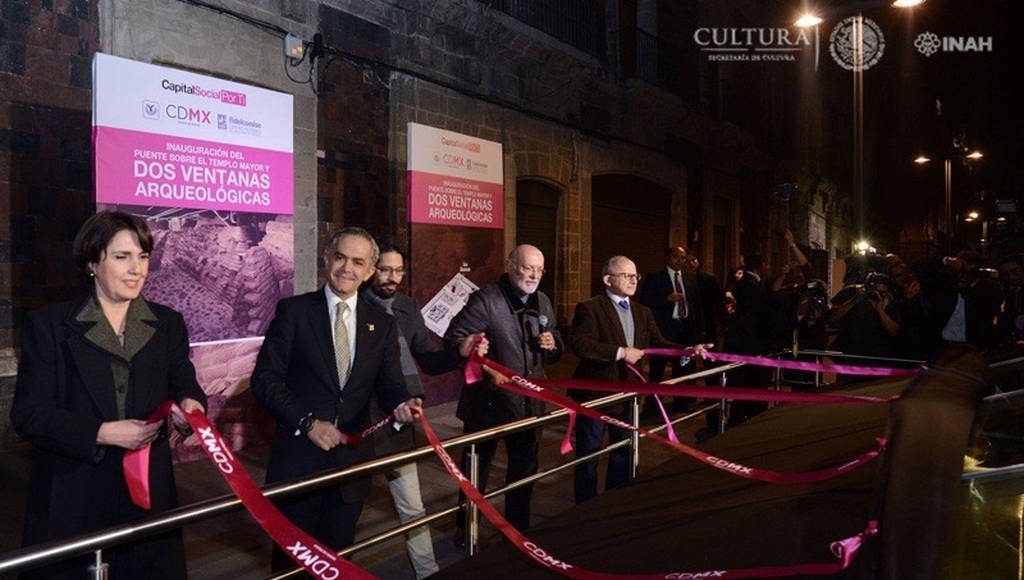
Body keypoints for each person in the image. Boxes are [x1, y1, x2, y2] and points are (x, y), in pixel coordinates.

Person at [11, 211, 207, 580]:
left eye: (143, 256)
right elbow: (29, 415)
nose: (137, 269)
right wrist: (101, 432)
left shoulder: (167, 324)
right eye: (122, 257)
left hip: (148, 490)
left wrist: (190, 406)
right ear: (91, 263)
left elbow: (185, 382)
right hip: (74, 487)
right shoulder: (50, 326)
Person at [251, 227, 423, 573]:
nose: (347, 268)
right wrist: (307, 423)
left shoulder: (382, 325)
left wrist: (403, 406)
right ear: (327, 259)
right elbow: (264, 381)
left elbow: (390, 385)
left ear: (370, 271)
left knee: (338, 562)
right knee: (291, 565)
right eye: (341, 257)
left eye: (358, 262)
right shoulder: (294, 312)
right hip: (298, 465)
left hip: (351, 468)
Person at [360, 241, 484, 579]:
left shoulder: (406, 307)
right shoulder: (352, 306)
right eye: (385, 269)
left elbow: (428, 358)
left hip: (400, 420)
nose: (392, 277)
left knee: (412, 505)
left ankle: (427, 572)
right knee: (345, 508)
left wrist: (459, 350)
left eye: (399, 271)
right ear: (370, 268)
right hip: (359, 421)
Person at [444, 244, 563, 539]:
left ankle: (518, 531)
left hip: (529, 406)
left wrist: (553, 345)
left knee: (524, 472)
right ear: (510, 266)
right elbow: (455, 339)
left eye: (539, 269)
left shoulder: (543, 301)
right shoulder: (484, 300)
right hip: (487, 407)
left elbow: (556, 345)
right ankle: (466, 530)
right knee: (476, 474)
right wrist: (481, 362)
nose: (534, 275)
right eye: (527, 267)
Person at [569, 255, 686, 503]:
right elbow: (581, 344)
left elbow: (658, 343)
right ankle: (585, 506)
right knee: (589, 455)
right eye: (627, 275)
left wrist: (684, 351)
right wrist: (620, 353)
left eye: (636, 276)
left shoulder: (642, 311)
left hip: (628, 397)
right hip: (596, 396)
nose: (634, 280)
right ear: (607, 279)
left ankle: (616, 498)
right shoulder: (590, 308)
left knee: (623, 452)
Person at [638, 246, 704, 412]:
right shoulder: (655, 278)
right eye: (676, 257)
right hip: (664, 329)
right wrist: (665, 299)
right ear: (668, 258)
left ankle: (682, 402)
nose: (680, 261)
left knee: (683, 368)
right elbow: (645, 301)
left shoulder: (689, 278)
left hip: (685, 328)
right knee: (657, 369)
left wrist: (699, 329)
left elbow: (697, 304)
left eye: (683, 258)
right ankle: (653, 405)